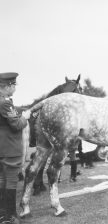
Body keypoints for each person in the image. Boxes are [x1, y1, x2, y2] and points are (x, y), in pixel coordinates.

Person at [0, 72, 31, 224]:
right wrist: (26, 117)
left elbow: (9, 112)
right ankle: (10, 217)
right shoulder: (5, 103)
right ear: (7, 86)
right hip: (10, 149)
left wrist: (22, 109)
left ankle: (2, 215)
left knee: (1, 180)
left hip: (1, 148)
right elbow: (16, 125)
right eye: (13, 86)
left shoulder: (4, 102)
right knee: (11, 182)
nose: (15, 89)